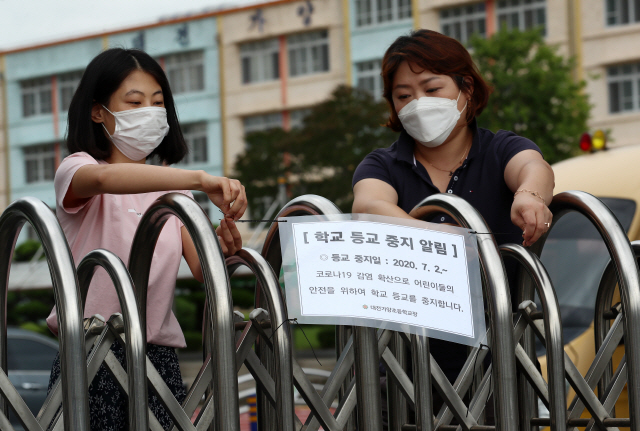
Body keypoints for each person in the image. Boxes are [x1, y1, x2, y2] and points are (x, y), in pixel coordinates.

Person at [351, 29, 554, 416]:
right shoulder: (382, 164)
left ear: (468, 90)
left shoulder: (500, 149)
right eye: (404, 95)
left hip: (500, 364)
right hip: (402, 367)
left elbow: (534, 167)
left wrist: (529, 196)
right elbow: (369, 205)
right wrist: (442, 241)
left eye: (432, 88)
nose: (418, 104)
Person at [45, 48, 247, 431]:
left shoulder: (175, 195)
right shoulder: (77, 168)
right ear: (97, 110)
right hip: (90, 350)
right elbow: (105, 181)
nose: (150, 113)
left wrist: (223, 246)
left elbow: (205, 271)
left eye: (158, 103)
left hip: (158, 357)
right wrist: (201, 179)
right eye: (134, 102)